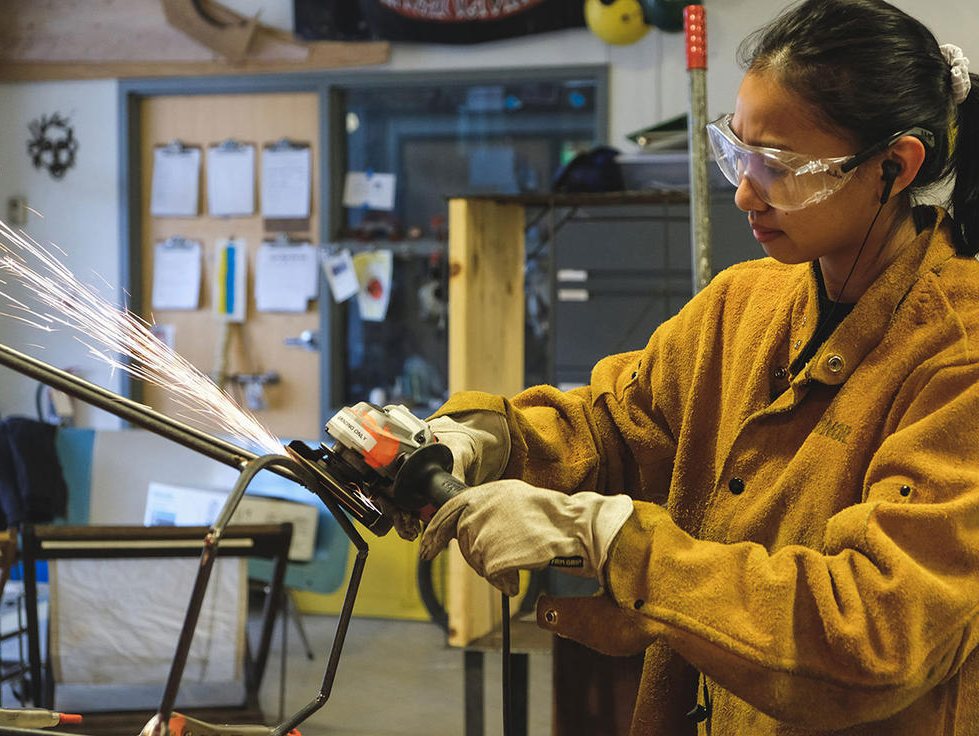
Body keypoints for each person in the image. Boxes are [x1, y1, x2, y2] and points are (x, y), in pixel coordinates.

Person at [418, 0, 979, 733]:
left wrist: (618, 543)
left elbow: (876, 627)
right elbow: (622, 426)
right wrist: (491, 436)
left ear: (893, 167)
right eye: (737, 152)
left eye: (778, 167)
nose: (744, 191)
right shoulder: (743, 302)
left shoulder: (956, 353)